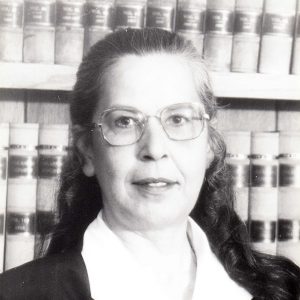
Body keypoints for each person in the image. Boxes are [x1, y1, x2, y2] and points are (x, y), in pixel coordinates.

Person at [1, 28, 300, 300]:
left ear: (209, 145)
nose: (155, 149)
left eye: (178, 119)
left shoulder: (284, 289)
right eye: (125, 121)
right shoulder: (16, 294)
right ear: (87, 152)